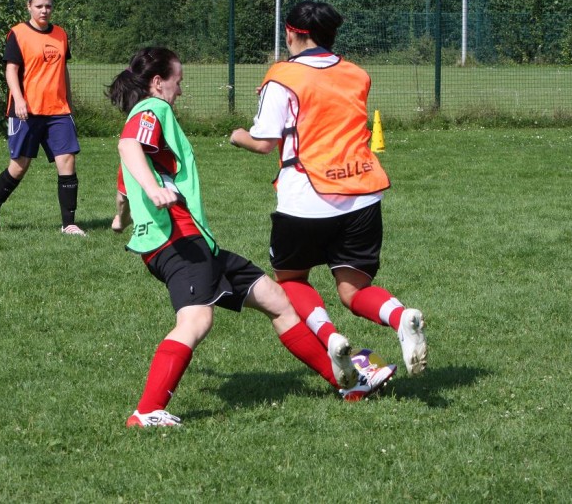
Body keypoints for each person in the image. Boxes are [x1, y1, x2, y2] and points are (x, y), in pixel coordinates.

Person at [108, 47, 397, 427]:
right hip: (178, 241)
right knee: (196, 320)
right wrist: (155, 191)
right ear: (158, 83)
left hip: (193, 242)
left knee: (277, 300)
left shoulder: (148, 123)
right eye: (178, 81)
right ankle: (147, 411)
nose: (181, 89)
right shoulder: (152, 109)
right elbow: (128, 146)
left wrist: (120, 219)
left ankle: (348, 384)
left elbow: (124, 188)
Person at [230, 1, 428, 376]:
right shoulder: (357, 73)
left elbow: (264, 142)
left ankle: (330, 337)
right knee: (354, 291)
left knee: (291, 280)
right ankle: (400, 316)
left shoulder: (282, 75)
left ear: (291, 33)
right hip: (362, 194)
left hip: (306, 197)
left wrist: (237, 135)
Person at [0, 0, 86, 236]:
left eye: (48, 6)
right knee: (19, 166)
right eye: (39, 6)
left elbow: (63, 70)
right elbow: (11, 70)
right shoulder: (18, 34)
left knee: (67, 161)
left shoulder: (60, 34)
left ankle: (68, 224)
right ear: (29, 6)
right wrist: (18, 99)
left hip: (58, 110)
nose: (44, 10)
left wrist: (69, 102)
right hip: (26, 112)